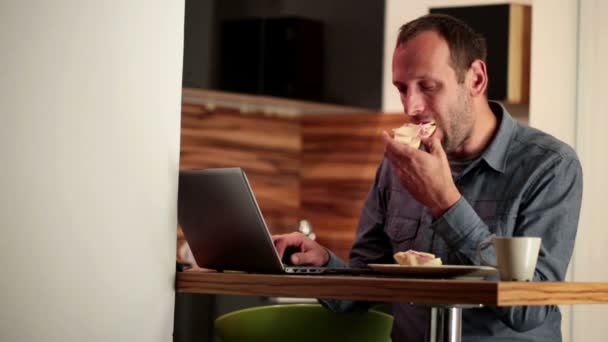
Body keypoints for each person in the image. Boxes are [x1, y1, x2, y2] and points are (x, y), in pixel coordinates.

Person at [272, 13, 583, 342]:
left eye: (428, 86)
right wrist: (321, 264)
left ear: (476, 79)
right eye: (402, 89)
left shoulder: (550, 166)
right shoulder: (399, 163)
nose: (411, 106)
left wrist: (445, 203)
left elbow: (529, 310)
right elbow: (363, 289)